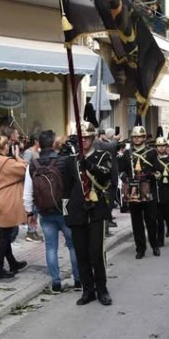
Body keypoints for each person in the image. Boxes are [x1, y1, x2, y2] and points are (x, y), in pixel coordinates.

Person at [61, 123, 113, 305]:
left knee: (95, 252)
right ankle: (87, 290)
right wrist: (66, 213)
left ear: (93, 138)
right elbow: (65, 189)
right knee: (81, 253)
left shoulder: (102, 156)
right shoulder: (70, 161)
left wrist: (90, 166)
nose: (84, 141)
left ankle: (102, 289)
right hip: (77, 211)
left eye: (87, 138)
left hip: (96, 210)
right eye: (81, 138)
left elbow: (107, 176)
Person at [24, 130, 80, 292]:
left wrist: (30, 213)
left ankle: (56, 282)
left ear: (39, 144)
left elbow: (27, 192)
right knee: (73, 246)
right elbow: (73, 185)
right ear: (54, 143)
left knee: (50, 248)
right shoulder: (63, 161)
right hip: (64, 209)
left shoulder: (33, 165)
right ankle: (78, 281)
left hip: (44, 211)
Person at [0, 133, 28, 280]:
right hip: (6, 203)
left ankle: (12, 263)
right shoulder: (8, 163)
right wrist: (17, 157)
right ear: (4, 147)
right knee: (4, 237)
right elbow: (25, 169)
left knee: (5, 234)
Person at [119, 121, 161, 259]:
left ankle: (154, 245)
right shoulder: (127, 153)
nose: (137, 139)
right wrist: (124, 175)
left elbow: (158, 170)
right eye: (135, 137)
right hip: (133, 191)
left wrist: (151, 175)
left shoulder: (151, 152)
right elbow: (122, 170)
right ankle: (140, 249)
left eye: (140, 136)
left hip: (148, 190)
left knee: (151, 220)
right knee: (136, 222)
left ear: (144, 138)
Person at [153, 137, 169, 246]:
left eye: (163, 145)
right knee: (158, 218)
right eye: (159, 146)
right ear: (156, 147)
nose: (162, 148)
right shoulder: (154, 160)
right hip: (158, 191)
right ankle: (160, 239)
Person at [21, 134, 43, 243]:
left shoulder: (38, 152)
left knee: (35, 210)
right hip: (31, 184)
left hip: (37, 184)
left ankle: (33, 230)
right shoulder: (29, 152)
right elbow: (24, 166)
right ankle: (30, 231)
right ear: (36, 141)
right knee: (33, 209)